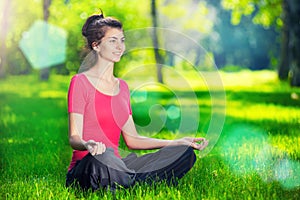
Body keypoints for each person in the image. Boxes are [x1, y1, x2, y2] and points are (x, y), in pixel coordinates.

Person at [65, 11, 209, 192]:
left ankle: (126, 181)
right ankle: (135, 182)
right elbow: (74, 137)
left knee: (183, 153)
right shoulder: (80, 82)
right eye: (113, 41)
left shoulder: (122, 87)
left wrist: (178, 142)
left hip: (119, 165)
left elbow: (133, 140)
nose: (120, 47)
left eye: (122, 40)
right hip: (89, 167)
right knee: (105, 156)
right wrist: (87, 144)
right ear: (96, 45)